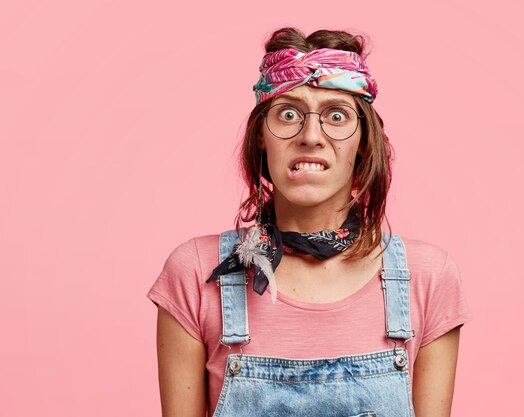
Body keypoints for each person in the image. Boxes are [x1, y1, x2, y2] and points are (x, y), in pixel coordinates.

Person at [147, 27, 471, 417]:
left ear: (364, 141)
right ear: (262, 136)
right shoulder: (196, 274)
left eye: (337, 115)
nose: (311, 135)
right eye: (288, 114)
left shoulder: (427, 278)